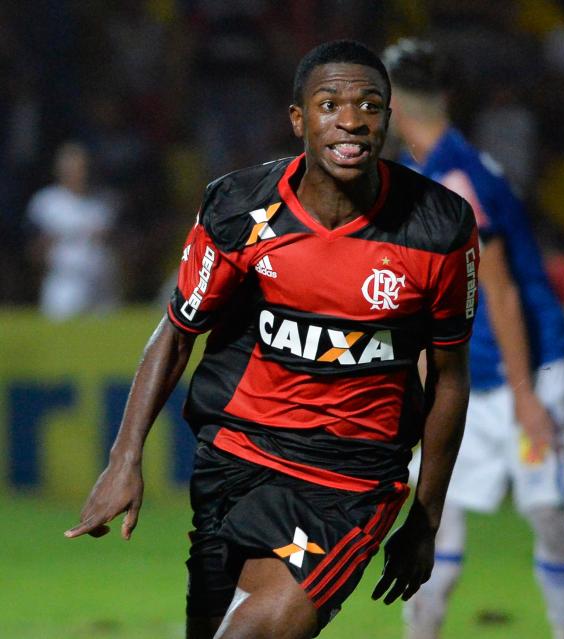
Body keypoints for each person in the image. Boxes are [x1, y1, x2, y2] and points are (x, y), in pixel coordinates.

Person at [65, 40, 479, 639]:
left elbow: (449, 376)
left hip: (351, 482)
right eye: (330, 103)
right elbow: (178, 334)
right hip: (237, 461)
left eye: (369, 105)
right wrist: (123, 459)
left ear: (387, 120)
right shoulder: (239, 209)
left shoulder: (438, 227)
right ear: (298, 120)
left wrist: (426, 517)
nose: (351, 120)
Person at [383, 39, 564, 639]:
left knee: (546, 511)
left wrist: (525, 398)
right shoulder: (431, 171)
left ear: (392, 106)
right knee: (431, 529)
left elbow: (499, 293)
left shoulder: (454, 180)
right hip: (465, 377)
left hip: (531, 368)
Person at [27, 141, 118, 320]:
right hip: (65, 283)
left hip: (102, 282)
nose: (79, 173)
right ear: (60, 171)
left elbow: (120, 244)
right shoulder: (46, 203)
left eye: (82, 168)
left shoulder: (104, 202)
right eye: (73, 168)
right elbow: (32, 249)